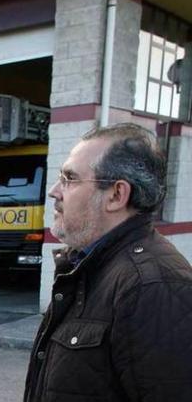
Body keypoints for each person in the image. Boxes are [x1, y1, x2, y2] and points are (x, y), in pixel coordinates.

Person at [24, 123, 192, 401]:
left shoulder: (153, 286)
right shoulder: (90, 266)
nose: (55, 191)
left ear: (116, 195)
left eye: (70, 178)